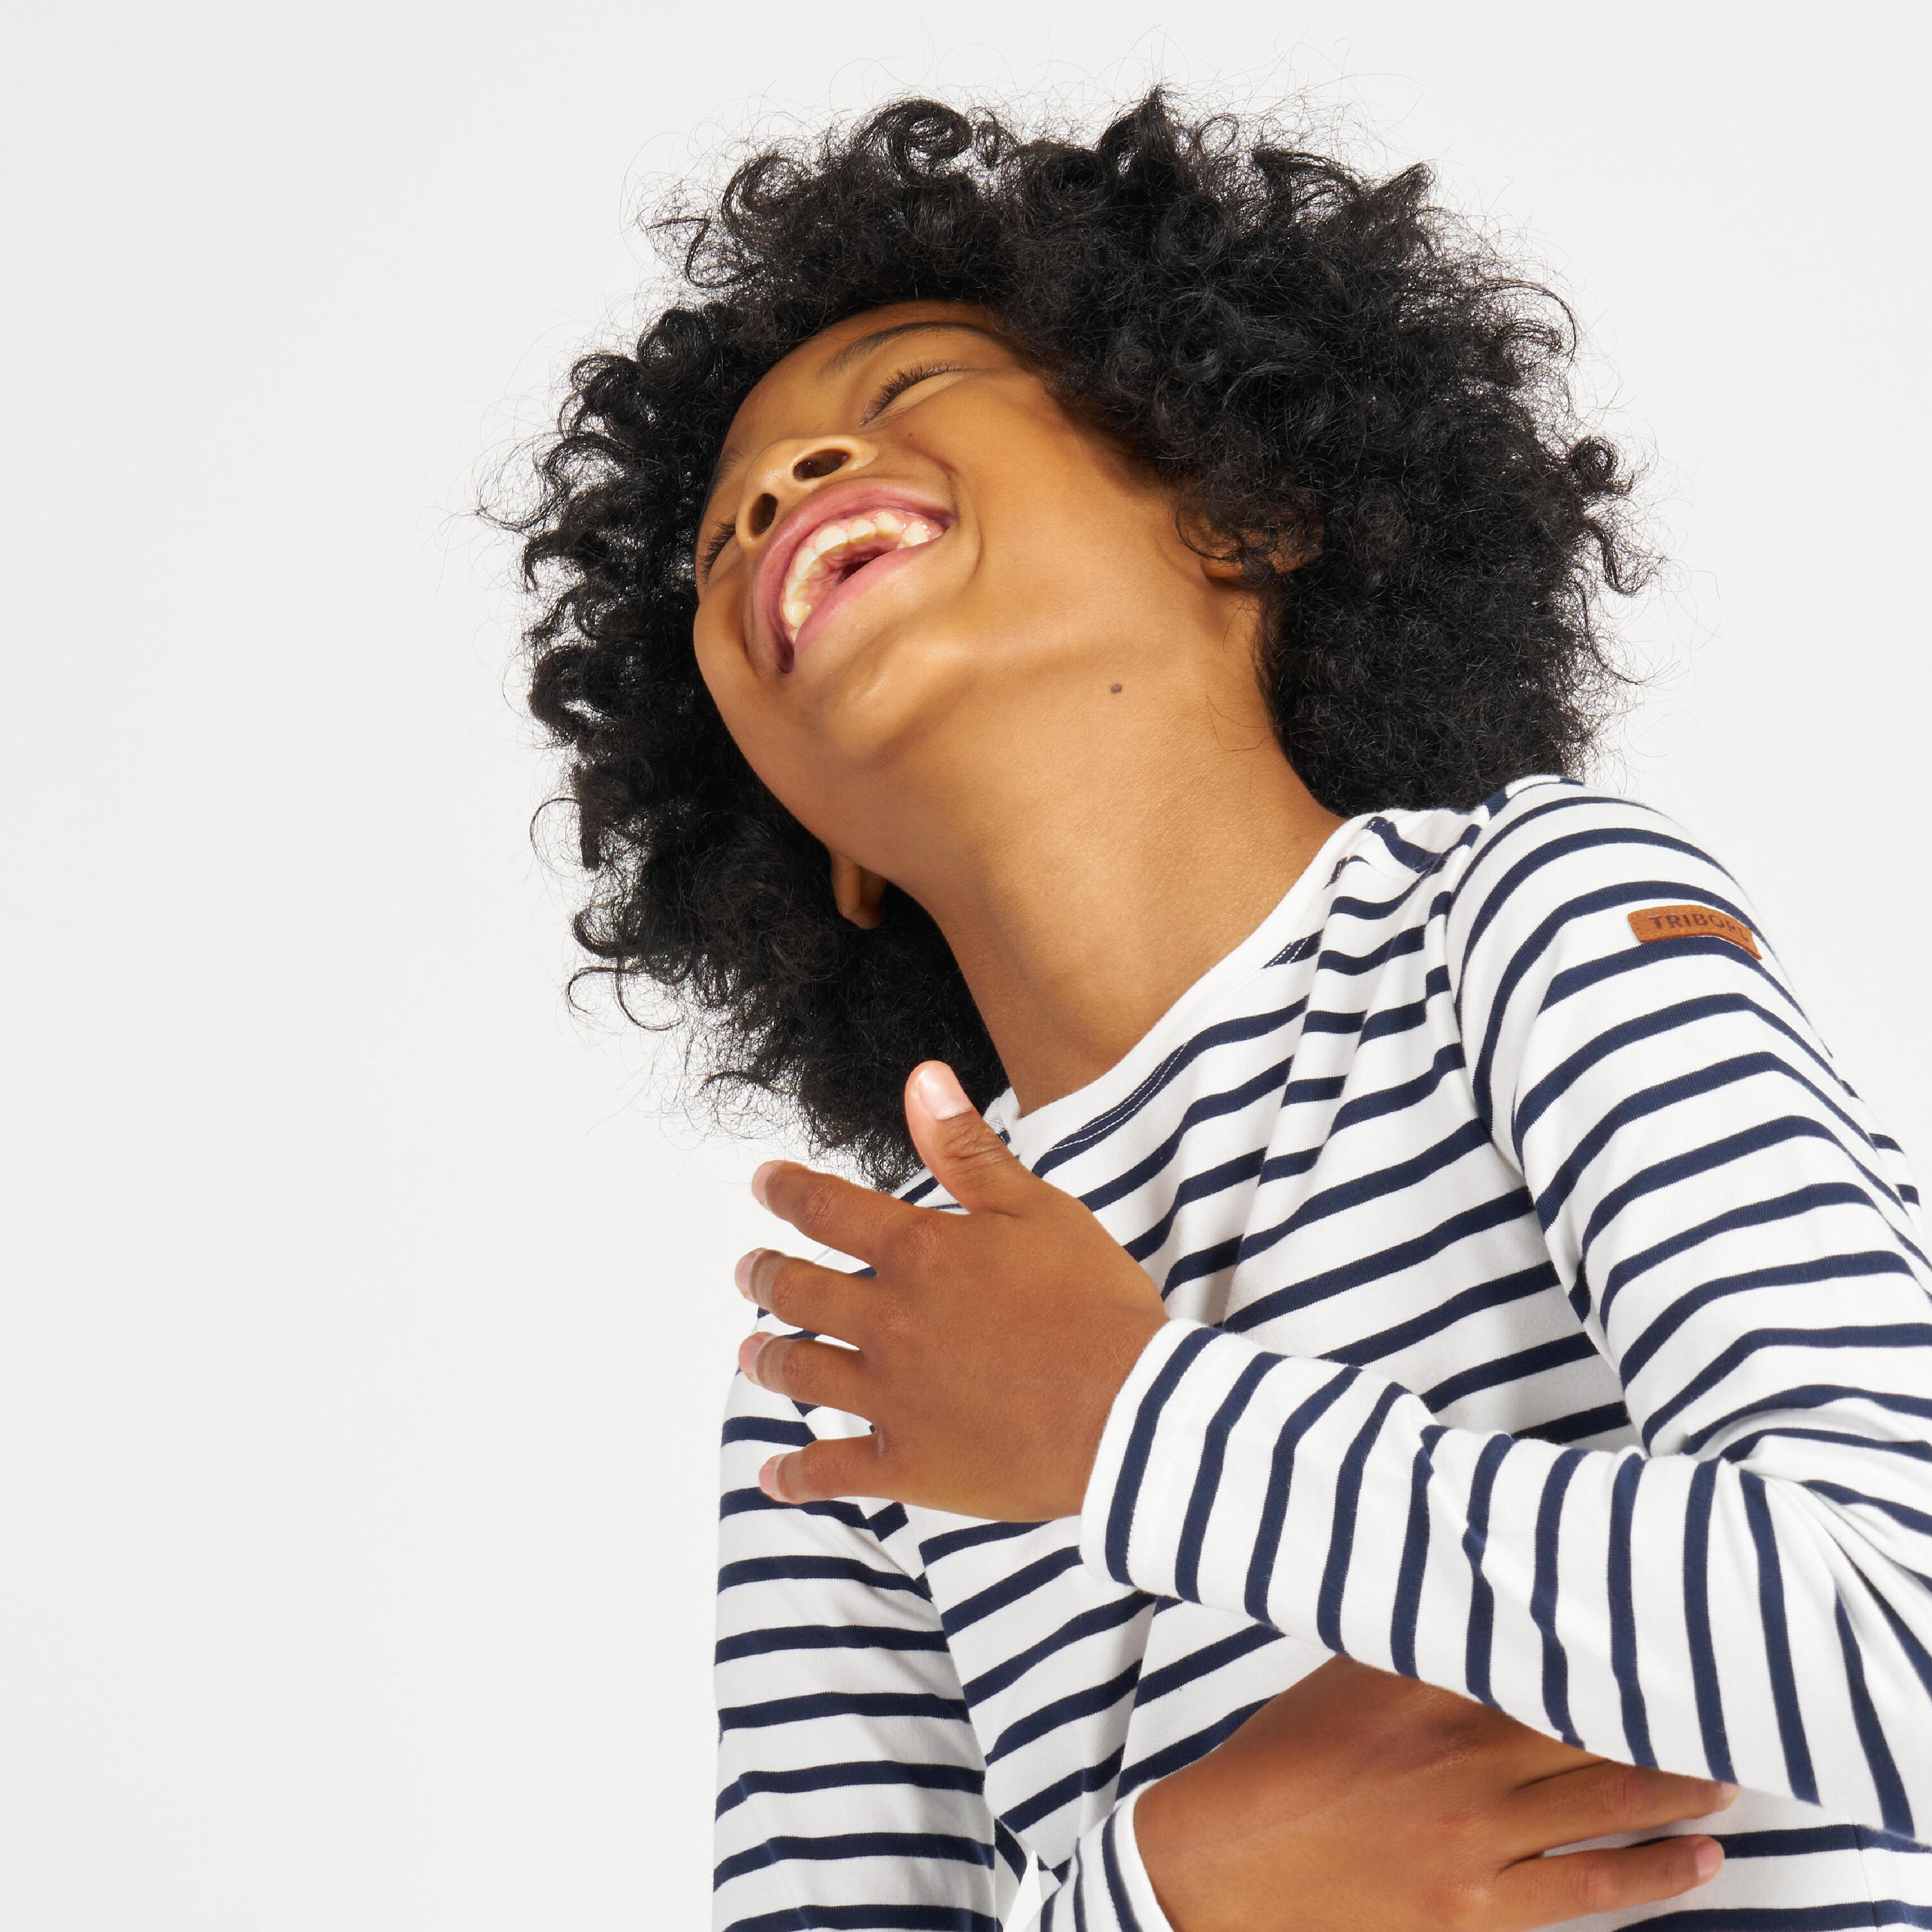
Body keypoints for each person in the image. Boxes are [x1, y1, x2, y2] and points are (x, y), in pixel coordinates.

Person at [511, 93, 1932, 1930]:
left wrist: (1126, 1423)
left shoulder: (1527, 923)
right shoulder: (861, 1336)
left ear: (1243, 502)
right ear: (809, 845)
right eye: (721, 536)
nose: (777, 490)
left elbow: (1896, 1635)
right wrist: (1179, 1891)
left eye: (908, 384)